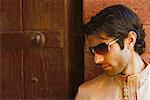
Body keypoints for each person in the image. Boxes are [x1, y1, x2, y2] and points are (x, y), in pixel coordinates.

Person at [75, 4, 150, 100]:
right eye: (93, 51)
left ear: (130, 40)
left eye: (102, 48)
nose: (96, 60)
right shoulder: (88, 94)